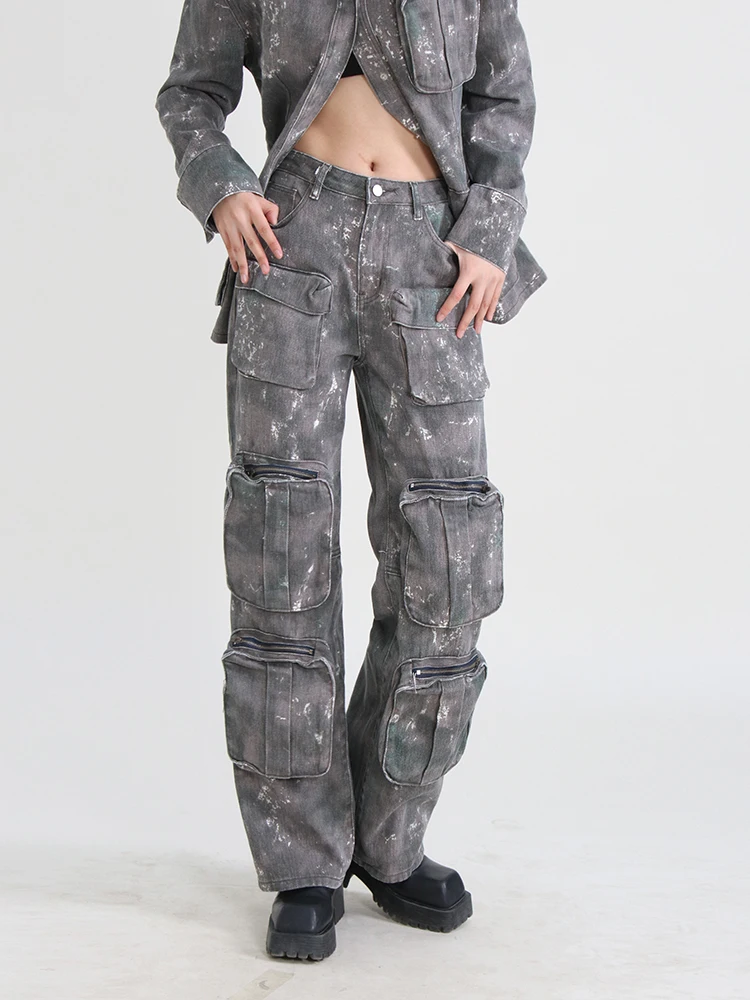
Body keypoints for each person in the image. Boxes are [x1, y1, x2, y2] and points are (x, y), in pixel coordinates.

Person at [155, 0, 546, 961]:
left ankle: (387, 838)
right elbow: (192, 93)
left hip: (432, 263)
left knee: (448, 567)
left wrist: (490, 230)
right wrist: (221, 186)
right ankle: (303, 859)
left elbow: (503, 96)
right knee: (281, 558)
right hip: (292, 245)